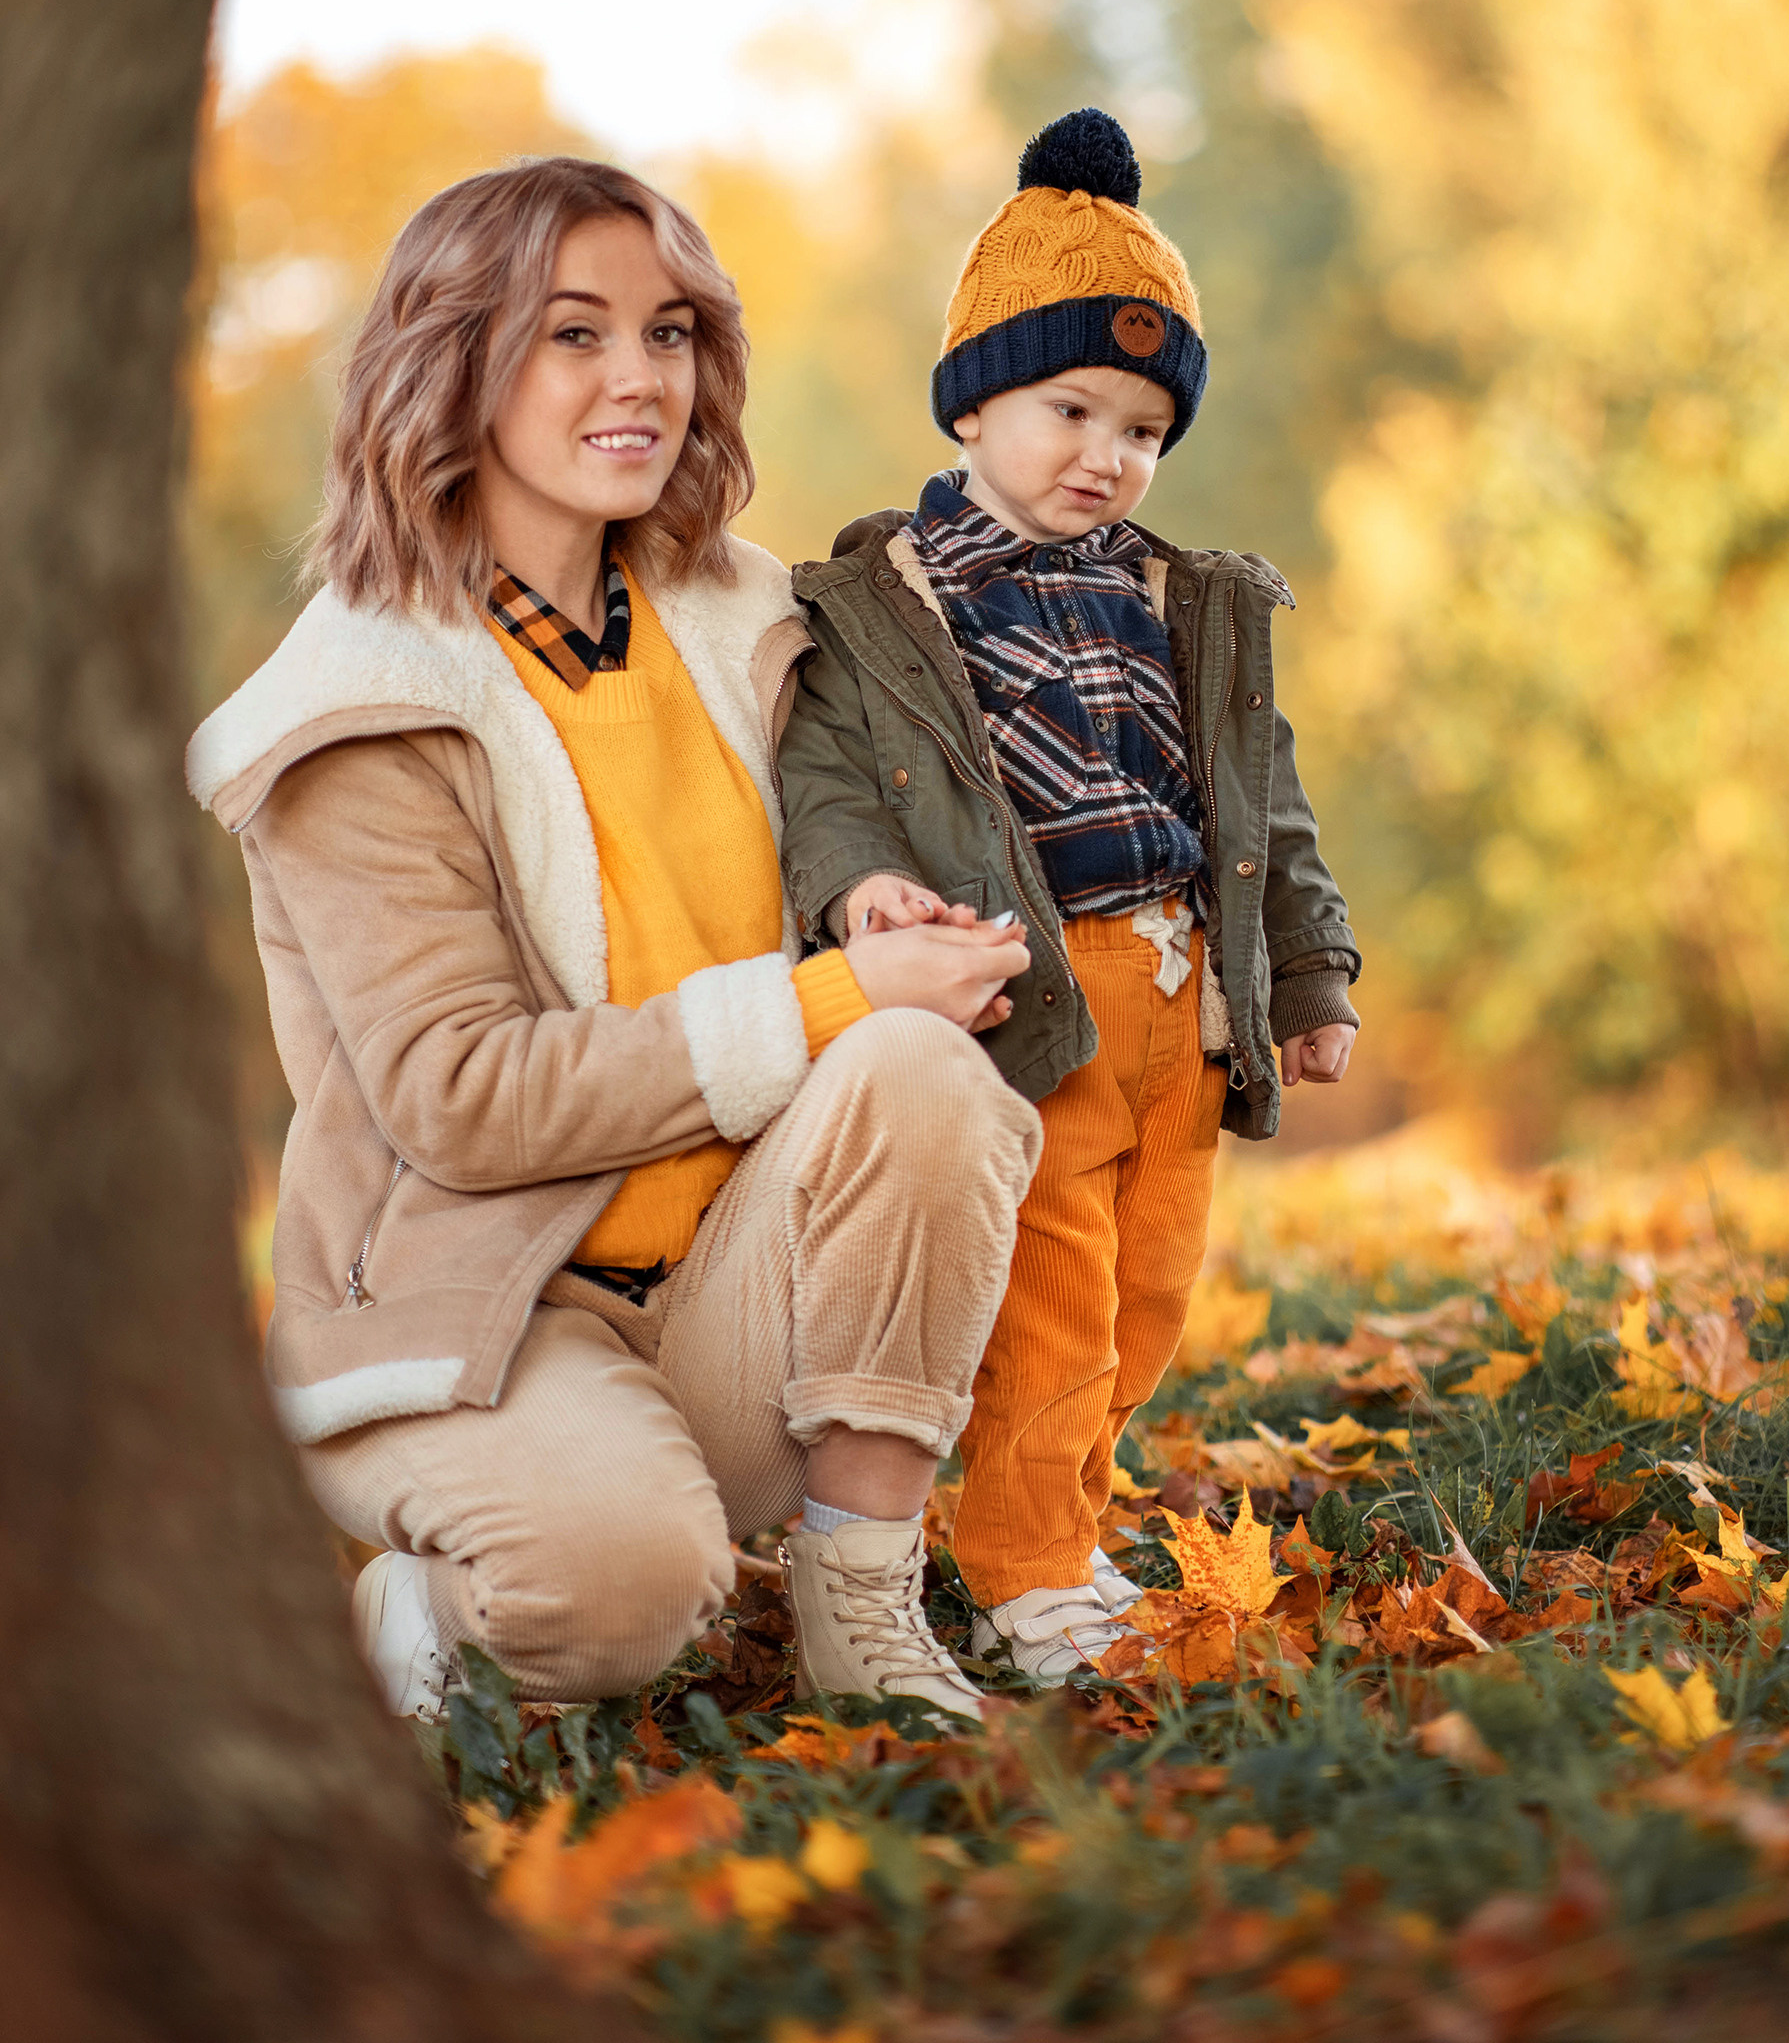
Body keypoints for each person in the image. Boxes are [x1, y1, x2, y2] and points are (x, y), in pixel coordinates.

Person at [187, 157, 1035, 1723]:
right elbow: (459, 1094)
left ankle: (863, 1607)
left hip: (726, 1291)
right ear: (455, 363)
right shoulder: (360, 707)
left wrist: (871, 907)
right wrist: (827, 995)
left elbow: (874, 832)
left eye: (670, 332)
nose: (639, 377)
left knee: (919, 1063)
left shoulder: (747, 620)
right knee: (619, 1600)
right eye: (572, 335)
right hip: (476, 1323)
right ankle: (443, 1601)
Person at [776, 109, 1363, 1685]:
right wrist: (864, 888)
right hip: (1032, 1001)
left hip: (1187, 997)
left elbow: (1264, 807)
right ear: (976, 404)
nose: (1107, 454)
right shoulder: (896, 602)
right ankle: (1029, 1569)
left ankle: (1056, 1524)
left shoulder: (1188, 599)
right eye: (1070, 408)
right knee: (1053, 1299)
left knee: (1150, 1295)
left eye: (1144, 428)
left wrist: (1309, 980)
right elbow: (829, 776)